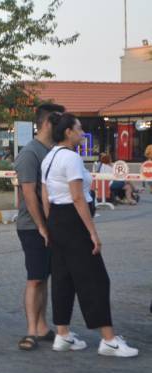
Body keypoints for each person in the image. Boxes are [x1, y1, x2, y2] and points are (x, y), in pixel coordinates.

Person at [41, 112, 138, 357]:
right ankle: (109, 340)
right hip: (74, 221)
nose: (82, 133)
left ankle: (62, 335)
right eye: (79, 128)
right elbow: (76, 197)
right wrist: (92, 232)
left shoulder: (49, 157)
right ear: (68, 132)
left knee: (63, 278)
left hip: (56, 220)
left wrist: (50, 225)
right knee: (95, 279)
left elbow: (45, 196)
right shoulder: (71, 159)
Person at [13, 103, 64, 351]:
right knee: (35, 278)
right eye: (60, 123)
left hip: (50, 225)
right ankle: (31, 331)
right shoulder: (30, 153)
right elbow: (28, 194)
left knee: (44, 277)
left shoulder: (53, 150)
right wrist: (42, 226)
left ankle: (43, 328)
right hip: (32, 227)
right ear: (47, 124)